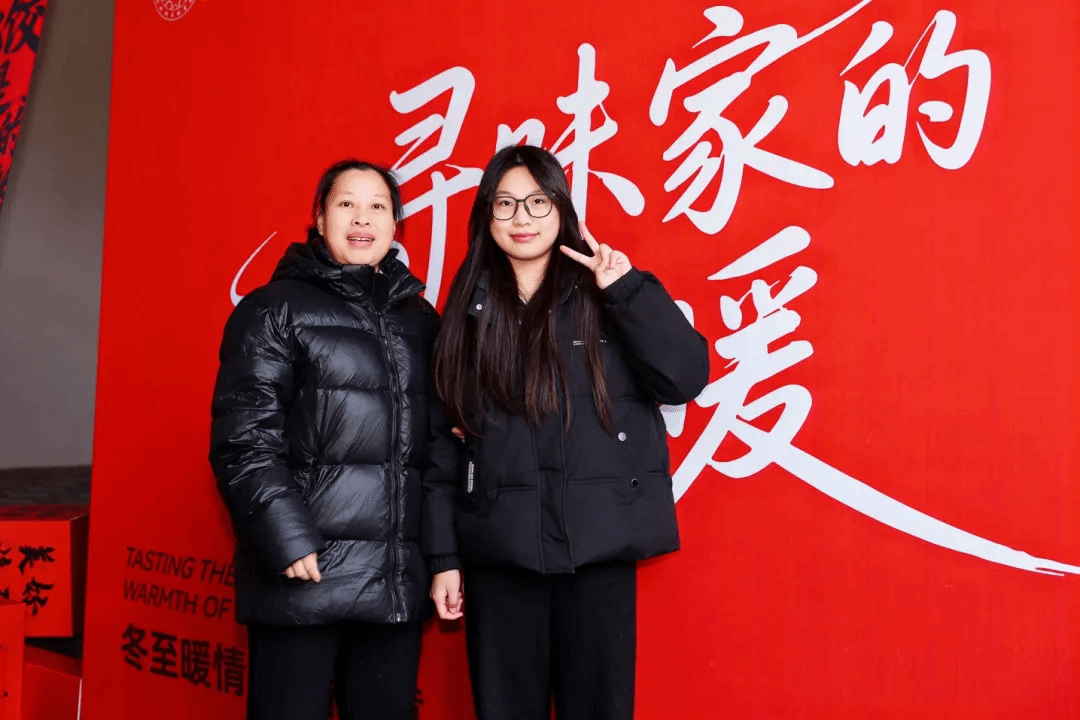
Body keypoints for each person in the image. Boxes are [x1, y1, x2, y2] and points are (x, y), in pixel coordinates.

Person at [423, 145, 710, 720]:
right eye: (505, 203)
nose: (522, 218)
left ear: (561, 208)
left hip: (598, 548)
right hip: (500, 554)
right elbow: (440, 447)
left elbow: (685, 377)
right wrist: (444, 557)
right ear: (486, 215)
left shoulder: (607, 293)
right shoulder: (467, 309)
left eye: (537, 202)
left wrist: (626, 291)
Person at [209, 159, 438, 720]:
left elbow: (436, 452)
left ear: (395, 225)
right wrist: (287, 538)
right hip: (303, 576)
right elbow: (244, 438)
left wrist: (439, 559)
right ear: (319, 219)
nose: (362, 219)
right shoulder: (273, 308)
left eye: (377, 207)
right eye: (346, 204)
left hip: (391, 583)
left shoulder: (420, 320)